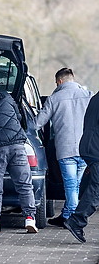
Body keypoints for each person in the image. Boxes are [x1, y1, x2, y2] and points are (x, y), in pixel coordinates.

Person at [0, 84, 38, 233]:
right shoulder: (6, 97)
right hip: (17, 146)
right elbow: (18, 117)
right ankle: (30, 218)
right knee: (25, 185)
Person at [35, 68, 92, 227]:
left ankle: (72, 218)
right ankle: (66, 213)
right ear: (72, 79)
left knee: (71, 184)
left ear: (59, 81)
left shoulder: (54, 98)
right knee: (75, 184)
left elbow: (38, 123)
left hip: (65, 148)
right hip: (84, 148)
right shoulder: (88, 96)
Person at [64, 92, 99, 243]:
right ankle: (76, 220)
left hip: (89, 145)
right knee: (97, 186)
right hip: (95, 147)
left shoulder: (96, 97)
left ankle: (76, 219)